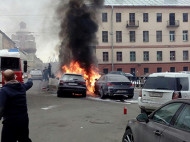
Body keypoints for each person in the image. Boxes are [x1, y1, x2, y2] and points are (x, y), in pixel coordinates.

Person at [0, 69, 33, 142]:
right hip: (23, 120)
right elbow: (30, 83)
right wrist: (29, 77)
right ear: (15, 77)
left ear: (4, 78)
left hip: (10, 123)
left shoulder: (4, 91)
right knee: (24, 139)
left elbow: (1, 108)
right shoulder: (22, 87)